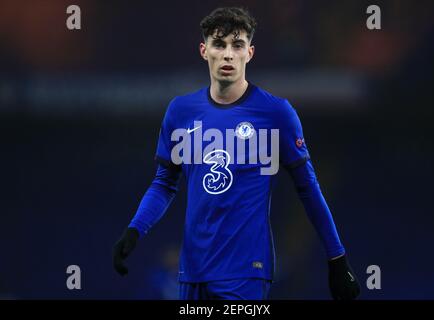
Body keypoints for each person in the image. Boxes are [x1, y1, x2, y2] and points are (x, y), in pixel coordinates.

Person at [113, 7, 360, 300]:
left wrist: (337, 258)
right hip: (192, 272)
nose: (228, 54)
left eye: (237, 45)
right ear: (204, 50)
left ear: (250, 53)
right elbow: (164, 184)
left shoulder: (276, 113)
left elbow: (308, 189)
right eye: (220, 44)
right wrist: (134, 229)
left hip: (246, 272)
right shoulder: (180, 112)